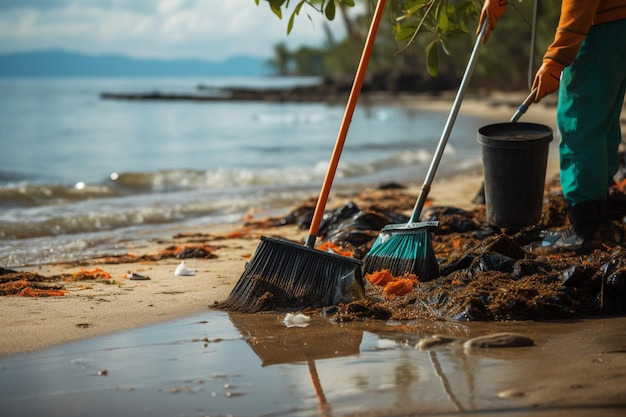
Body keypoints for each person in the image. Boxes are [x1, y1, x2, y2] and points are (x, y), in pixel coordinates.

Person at [478, 0, 626, 253]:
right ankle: (600, 222)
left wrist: (556, 58)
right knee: (601, 126)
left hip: (598, 29)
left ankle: (585, 231)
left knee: (579, 129)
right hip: (618, 26)